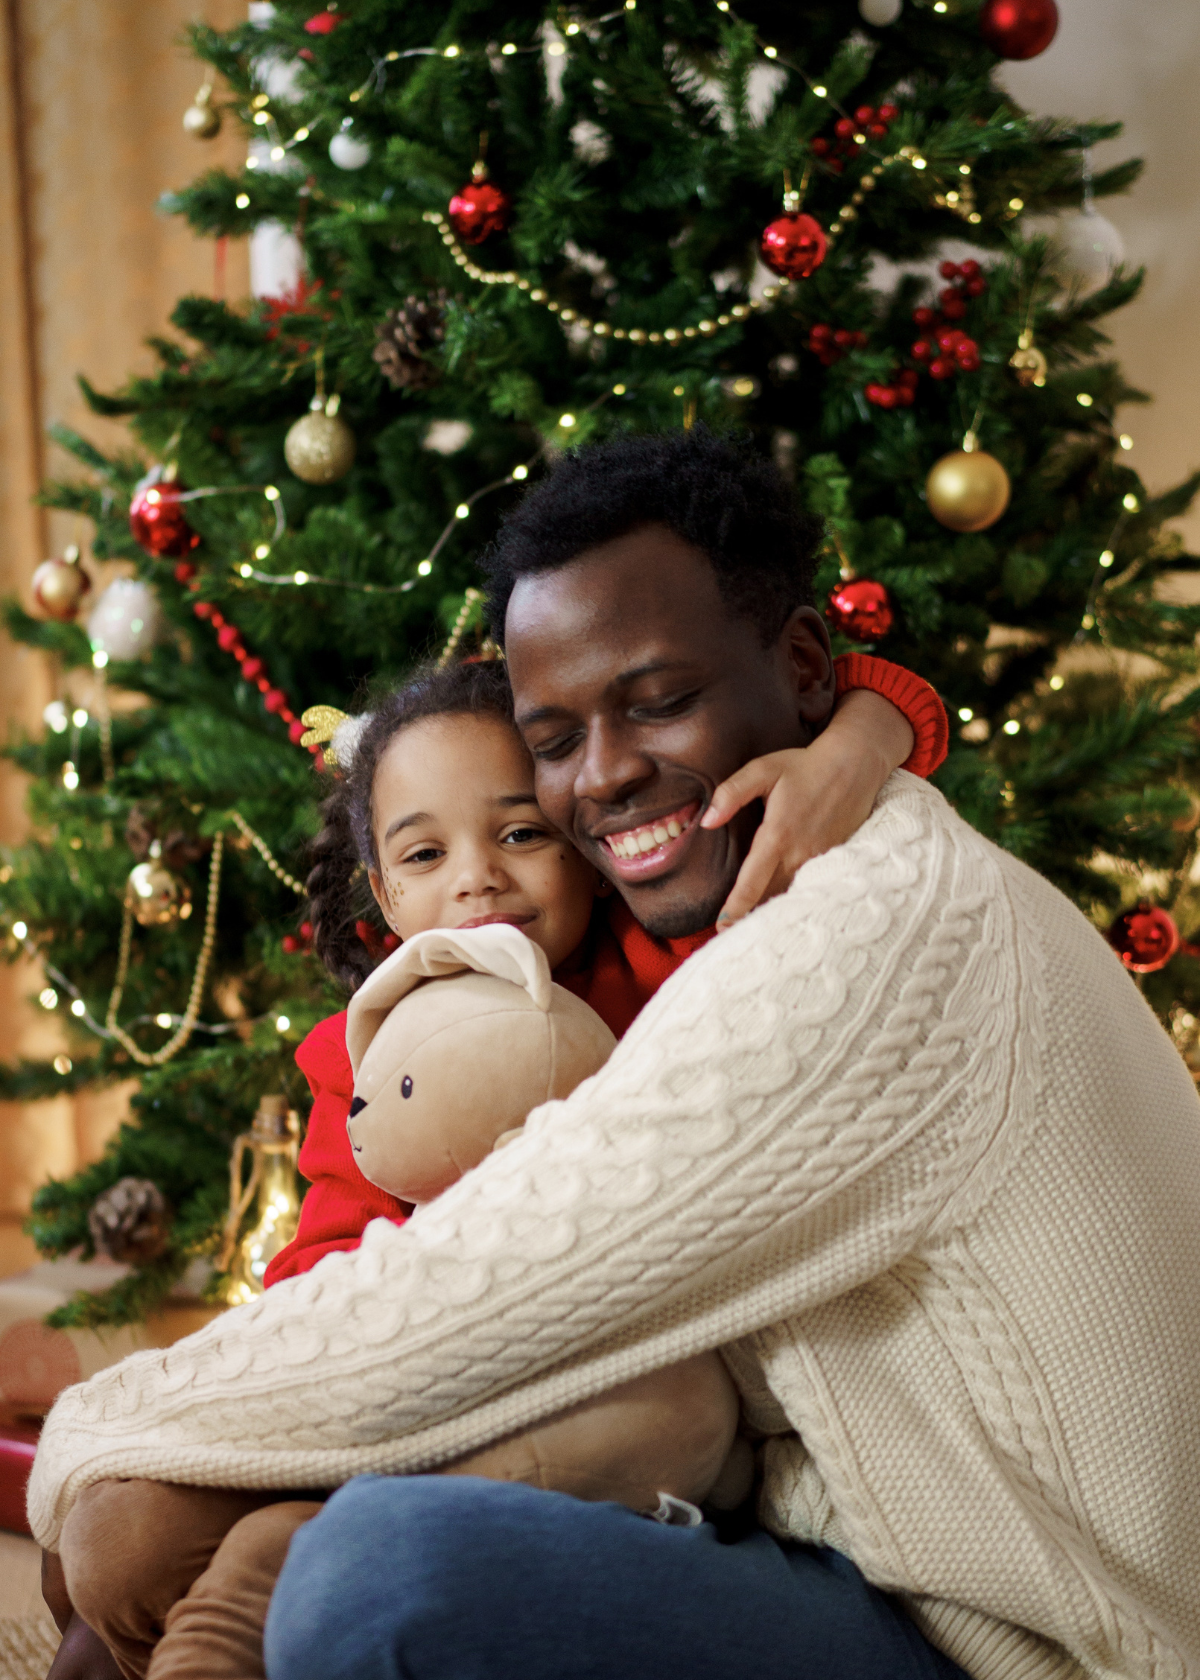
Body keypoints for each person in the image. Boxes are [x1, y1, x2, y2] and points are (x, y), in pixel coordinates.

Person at [30, 428, 1200, 1680]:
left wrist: (91, 1433)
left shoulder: (865, 937)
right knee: (175, 1545)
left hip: (1042, 1646)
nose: (606, 777)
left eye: (660, 701)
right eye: (555, 736)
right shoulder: (772, 889)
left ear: (803, 666)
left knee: (372, 1576)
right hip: (858, 1545)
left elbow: (480, 1286)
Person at [41, 623, 947, 1680]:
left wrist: (858, 741)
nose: (478, 881)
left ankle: (289, 1574)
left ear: (585, 836)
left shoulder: (666, 962)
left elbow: (875, 679)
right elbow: (319, 1274)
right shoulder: (360, 1057)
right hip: (401, 1387)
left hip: (604, 1389)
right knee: (118, 1541)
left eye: (521, 836)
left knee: (618, 1424)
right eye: (427, 855)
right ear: (385, 897)